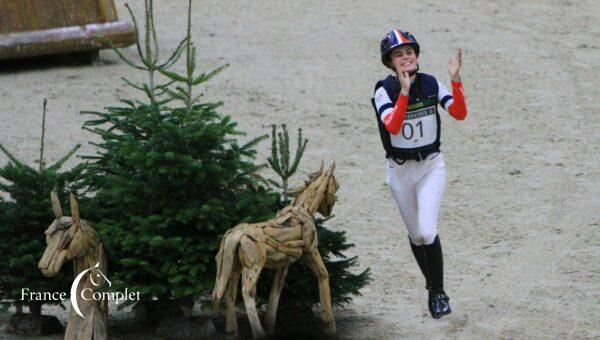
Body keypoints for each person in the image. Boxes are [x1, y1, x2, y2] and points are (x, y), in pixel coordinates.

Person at [371, 29, 467, 319]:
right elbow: (394, 126)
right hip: (399, 172)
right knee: (415, 236)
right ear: (390, 62)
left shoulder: (430, 83)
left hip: (430, 167)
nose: (406, 57)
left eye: (409, 52)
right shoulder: (383, 90)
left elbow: (460, 113)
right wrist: (403, 92)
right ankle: (432, 287)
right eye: (399, 55)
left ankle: (438, 292)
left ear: (417, 55)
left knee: (427, 231)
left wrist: (456, 80)